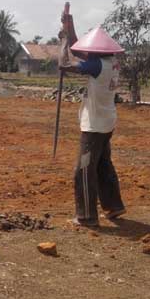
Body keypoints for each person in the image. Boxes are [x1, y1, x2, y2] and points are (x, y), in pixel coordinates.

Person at [59, 21, 126, 227]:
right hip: (107, 121)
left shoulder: (96, 65)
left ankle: (86, 216)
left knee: (84, 169)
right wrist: (69, 24)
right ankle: (113, 206)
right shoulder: (111, 61)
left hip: (94, 125)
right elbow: (79, 49)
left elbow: (64, 65)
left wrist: (62, 42)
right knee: (103, 164)